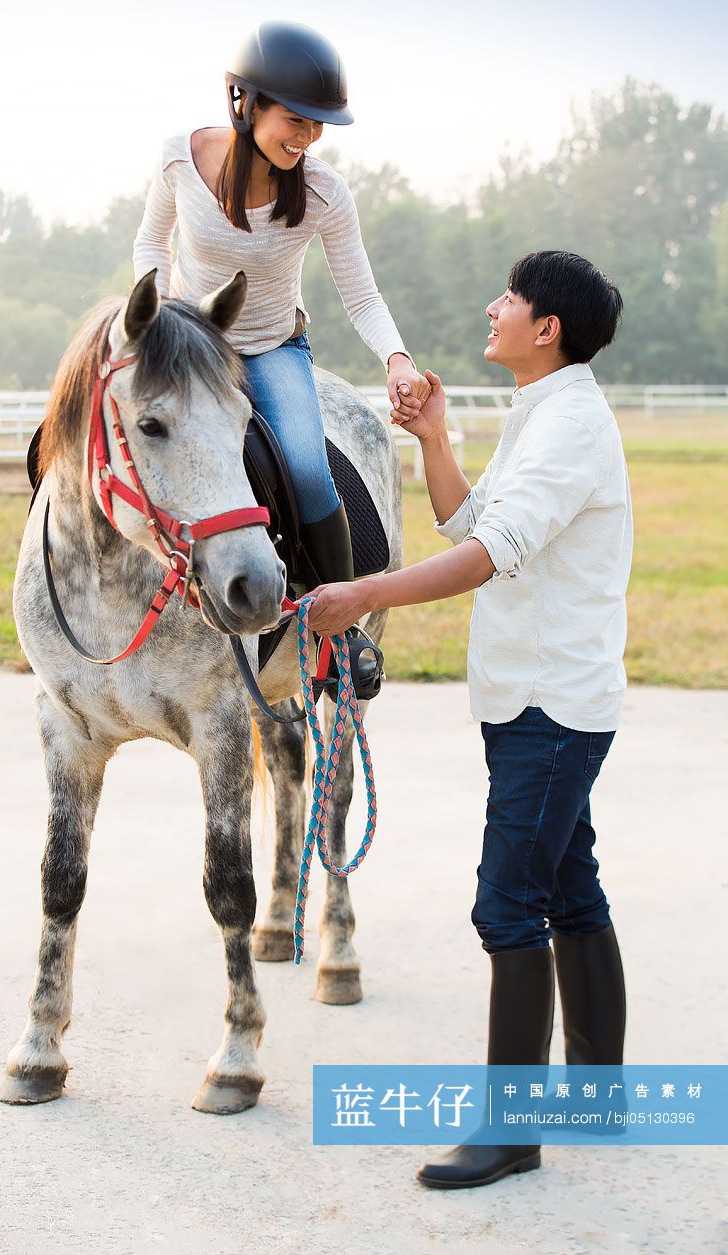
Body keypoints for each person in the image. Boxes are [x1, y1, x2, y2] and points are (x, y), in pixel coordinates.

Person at [308, 250, 631, 1189]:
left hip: (551, 705)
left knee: (507, 905)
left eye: (508, 299)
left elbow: (488, 554)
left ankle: (511, 1132)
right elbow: (467, 519)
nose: (491, 308)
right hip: (531, 697)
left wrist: (361, 592)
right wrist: (433, 437)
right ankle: (597, 1099)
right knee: (570, 887)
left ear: (546, 330)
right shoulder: (542, 411)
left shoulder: (570, 424)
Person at [132, 20, 429, 677]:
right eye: (295, 119)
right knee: (122, 433)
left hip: (271, 347)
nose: (306, 138)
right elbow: (151, 245)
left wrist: (397, 357)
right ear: (246, 103)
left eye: (317, 126)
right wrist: (151, 313)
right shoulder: (179, 157)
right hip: (188, 344)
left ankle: (340, 629)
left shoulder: (323, 193)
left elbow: (361, 296)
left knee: (303, 463)